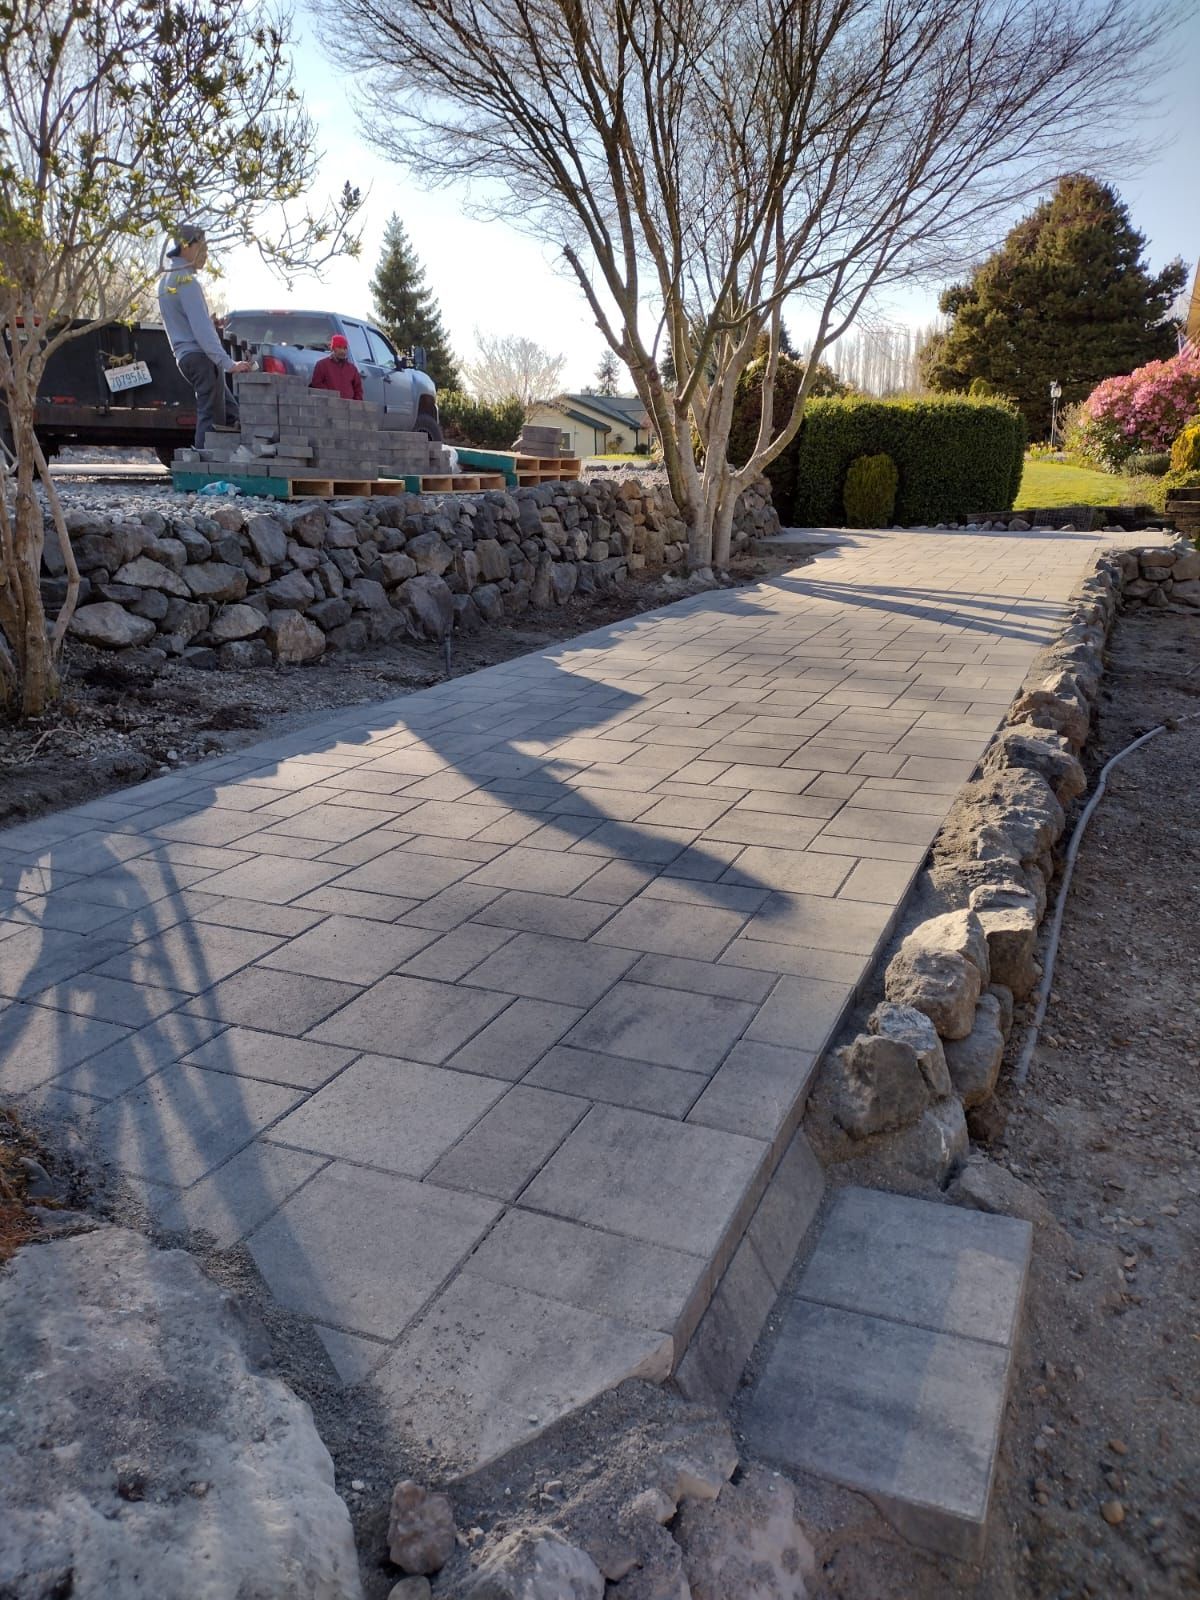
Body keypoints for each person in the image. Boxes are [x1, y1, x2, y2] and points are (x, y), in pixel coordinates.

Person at [157, 223, 251, 447]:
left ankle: (238, 460)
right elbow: (201, 330)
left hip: (186, 357)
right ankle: (204, 473)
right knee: (211, 420)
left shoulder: (166, 281)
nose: (206, 255)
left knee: (231, 412)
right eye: (204, 248)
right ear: (187, 247)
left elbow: (187, 321)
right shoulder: (186, 282)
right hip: (201, 358)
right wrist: (228, 363)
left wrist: (211, 323)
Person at [310, 334, 364, 401]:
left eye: (345, 348)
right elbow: (316, 384)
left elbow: (358, 390)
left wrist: (355, 404)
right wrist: (330, 398)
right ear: (333, 348)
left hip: (349, 408)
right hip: (329, 406)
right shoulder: (322, 365)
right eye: (339, 347)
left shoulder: (352, 369)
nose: (342, 351)